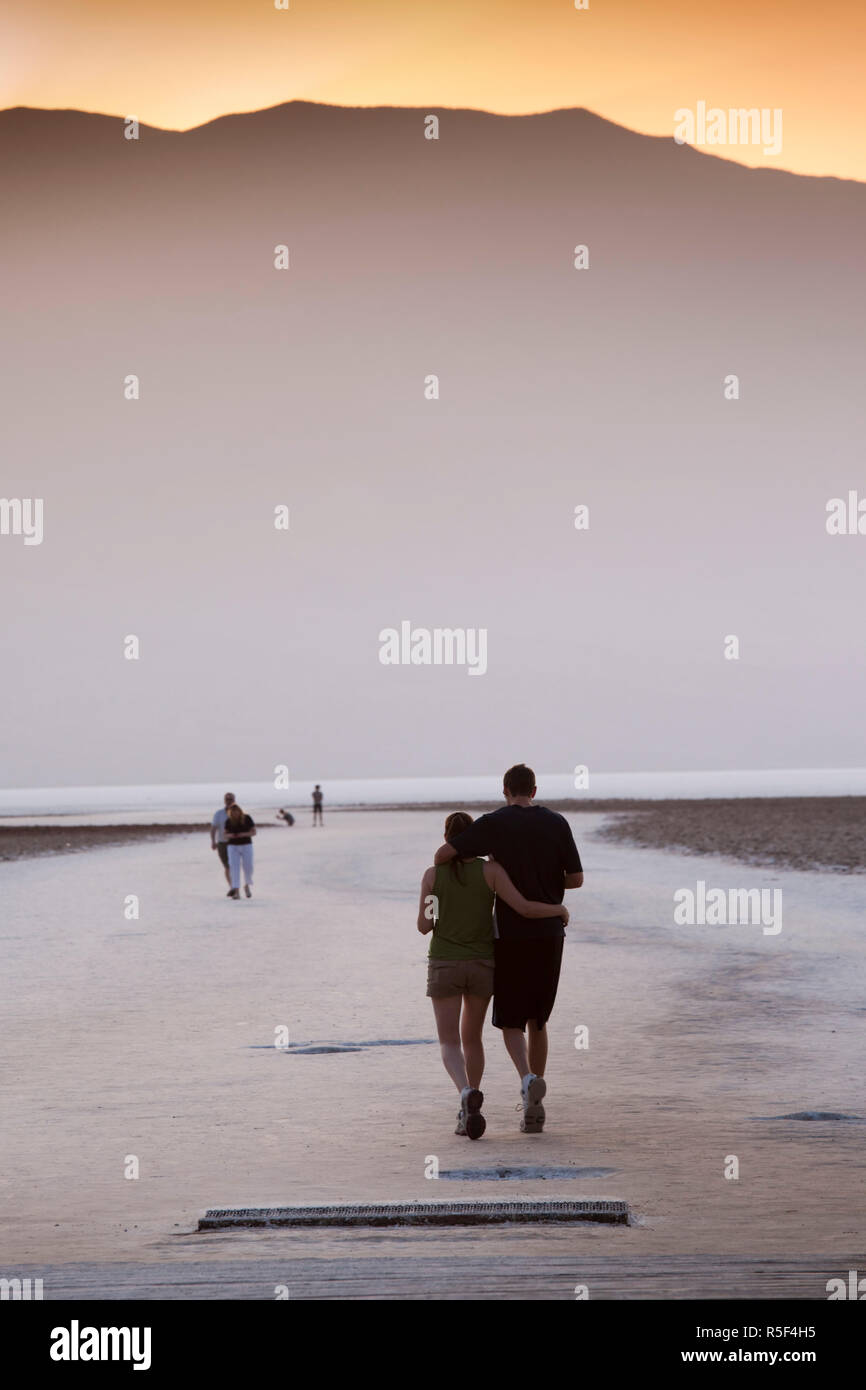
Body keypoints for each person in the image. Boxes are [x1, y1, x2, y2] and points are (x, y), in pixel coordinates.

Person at [433, 765, 583, 1133]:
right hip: (550, 931)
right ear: (534, 789)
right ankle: (534, 1101)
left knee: (511, 1020)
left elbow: (443, 854)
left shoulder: (494, 823)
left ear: (505, 790)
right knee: (539, 1019)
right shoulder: (557, 823)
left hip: (512, 936)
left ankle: (527, 1077)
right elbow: (576, 879)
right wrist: (549, 884)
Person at [224, 802, 256, 899]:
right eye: (233, 812)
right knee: (234, 867)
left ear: (240, 811)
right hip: (233, 846)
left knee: (248, 866)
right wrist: (232, 835)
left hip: (246, 844)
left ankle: (247, 885)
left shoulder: (247, 818)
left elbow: (254, 832)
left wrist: (243, 834)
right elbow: (225, 835)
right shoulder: (229, 821)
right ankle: (236, 890)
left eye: (236, 811)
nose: (235, 813)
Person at [210, 791, 235, 892]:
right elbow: (213, 828)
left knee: (234, 866)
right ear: (224, 801)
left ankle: (235, 886)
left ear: (234, 800)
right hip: (222, 843)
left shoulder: (238, 813)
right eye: (227, 799)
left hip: (235, 843)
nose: (229, 801)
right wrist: (213, 841)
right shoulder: (219, 813)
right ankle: (232, 887)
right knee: (227, 866)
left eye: (231, 799)